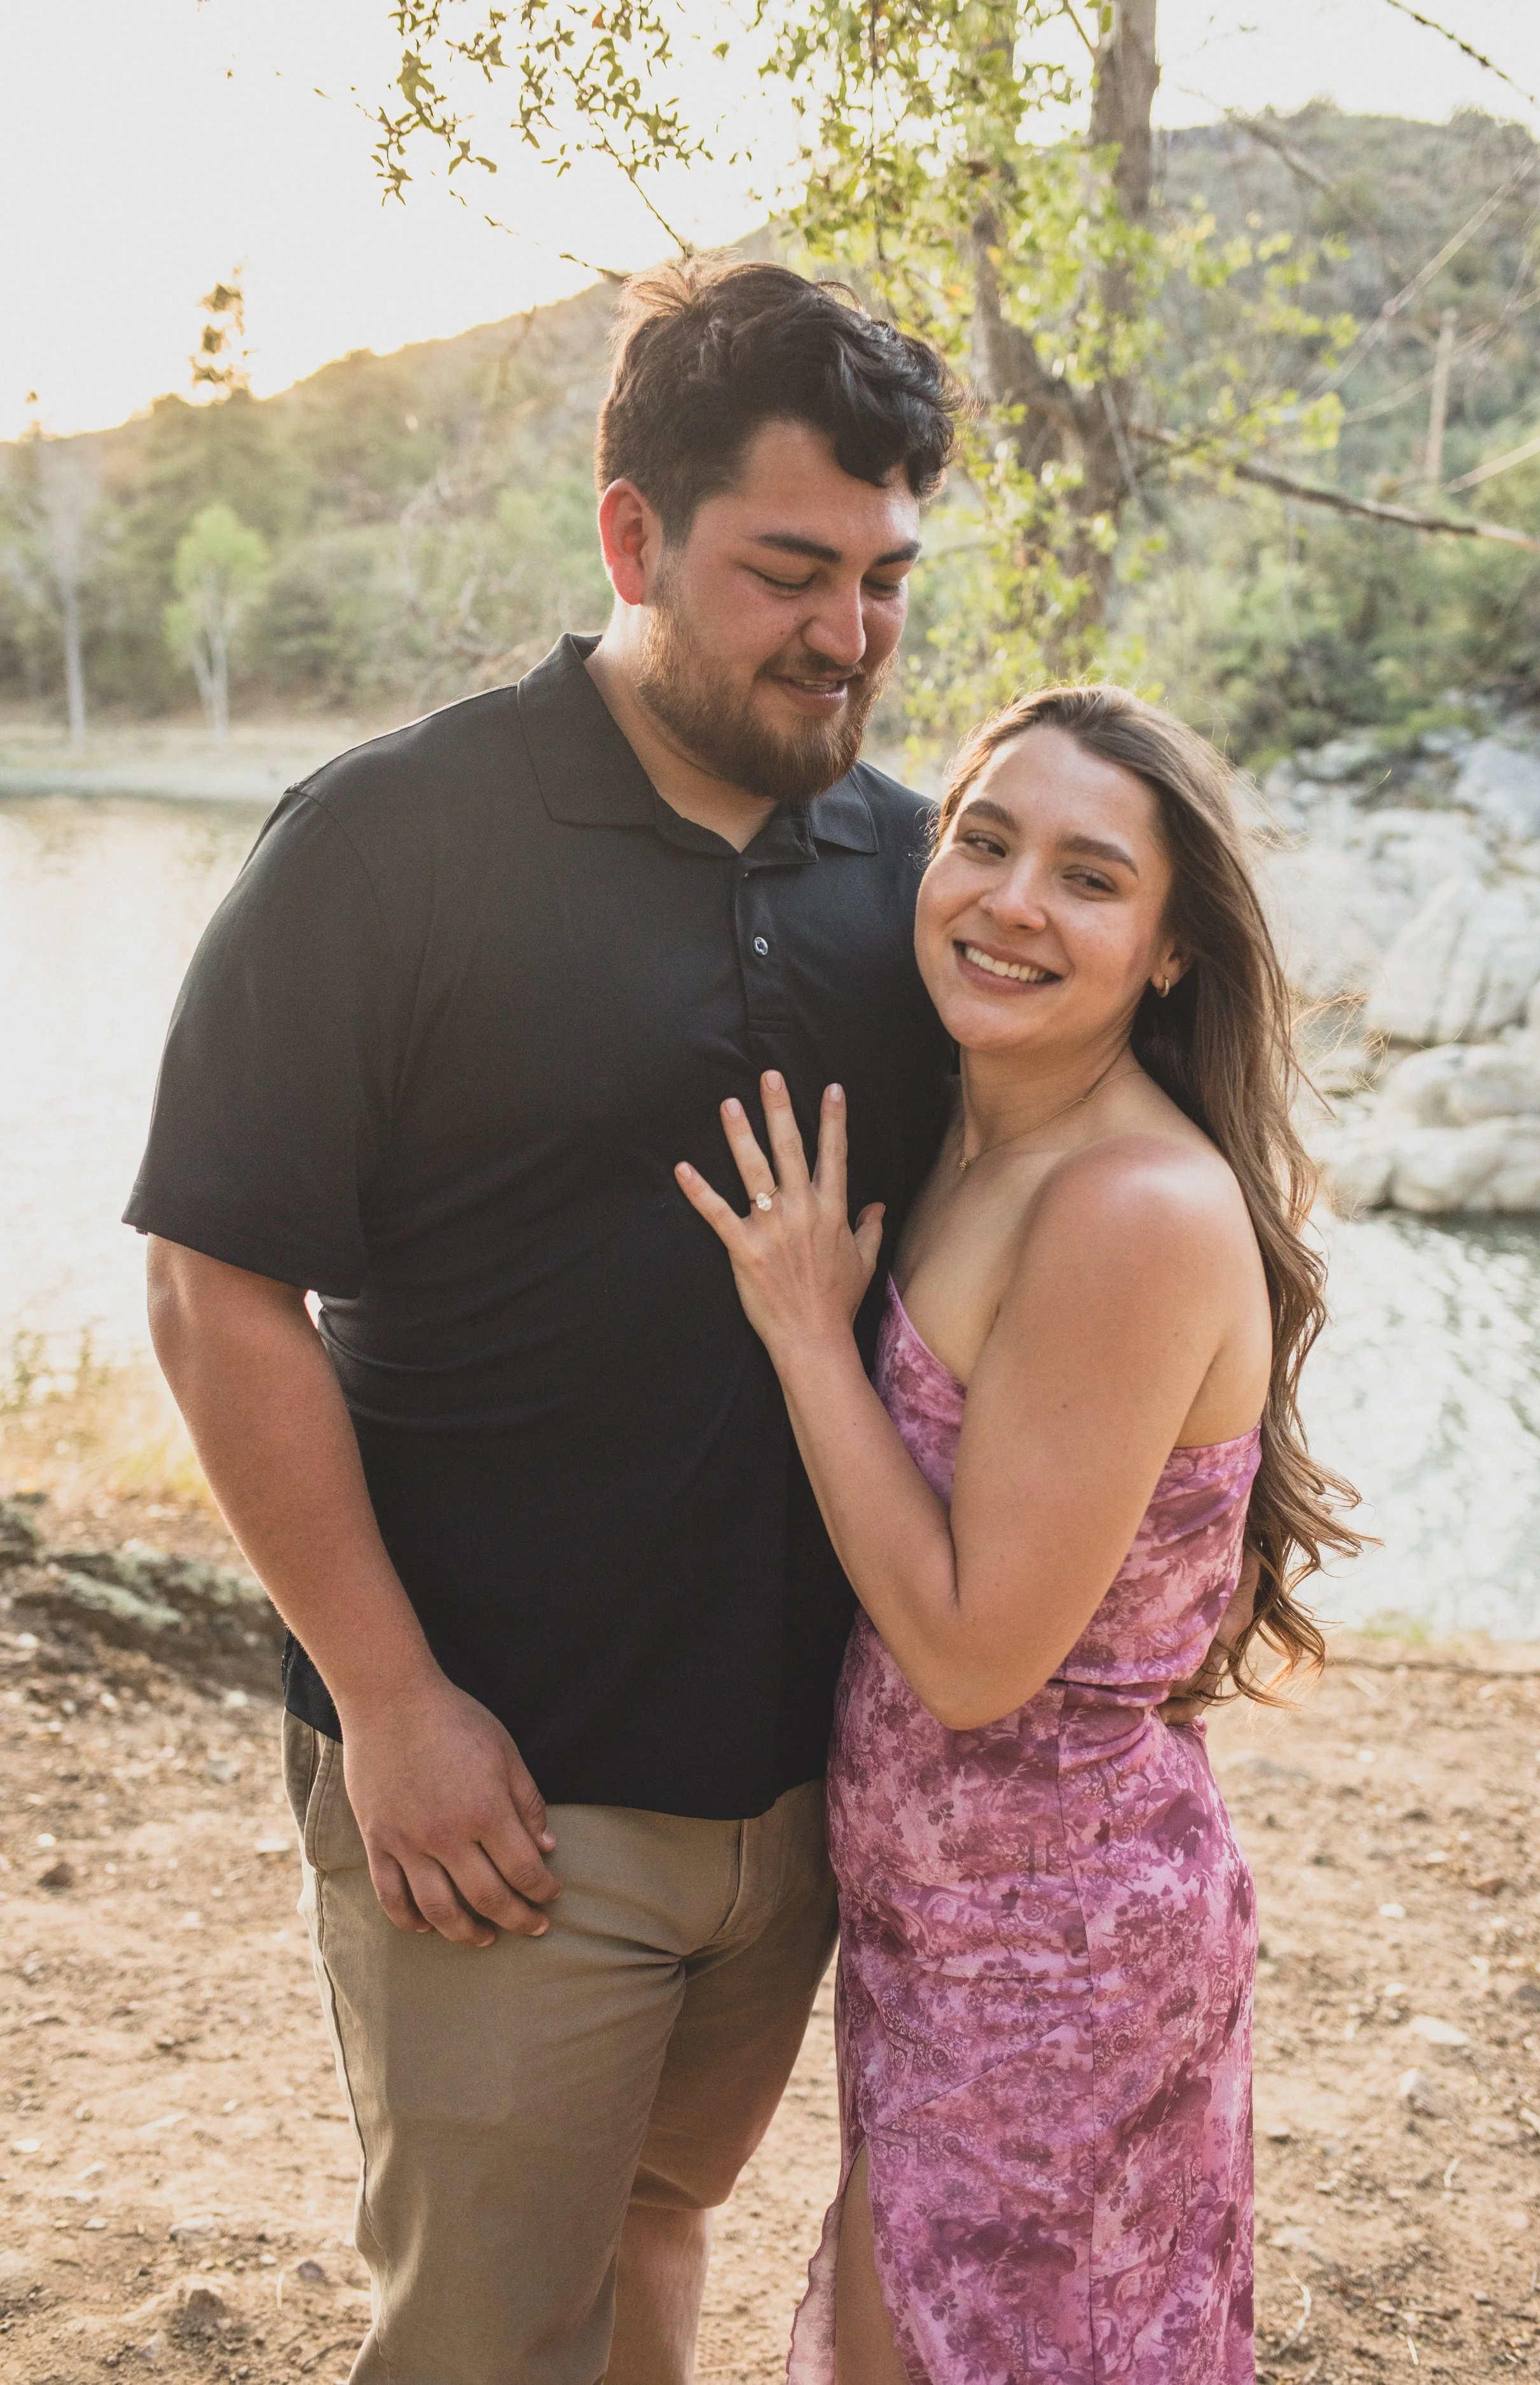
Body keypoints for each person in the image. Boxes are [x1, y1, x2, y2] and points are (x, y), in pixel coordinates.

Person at [125, 257, 961, 2385]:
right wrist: (390, 1701)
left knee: (660, 2228)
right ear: (631, 536)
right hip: (497, 1791)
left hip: (800, 1791)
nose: (846, 633)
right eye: (789, 571)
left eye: (883, 578)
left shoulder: (913, 872)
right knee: (493, 2338)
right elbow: (215, 1285)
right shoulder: (391, 839)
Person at [675, 685, 1361, 2385]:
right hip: (947, 1934)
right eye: (982, 843)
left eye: (1088, 877)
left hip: (1060, 1954)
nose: (1012, 902)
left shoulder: (1127, 1207)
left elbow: (978, 1659)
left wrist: (805, 1332)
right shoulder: (984, 1138)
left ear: (1172, 948)